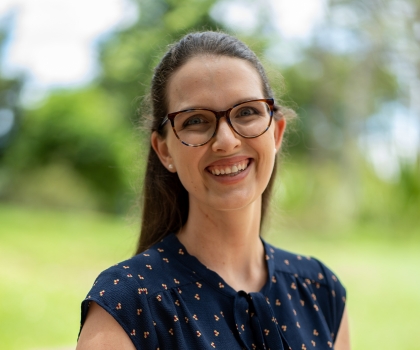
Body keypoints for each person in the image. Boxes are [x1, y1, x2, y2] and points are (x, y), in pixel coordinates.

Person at [76, 31, 350, 350]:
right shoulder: (126, 305)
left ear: (276, 133)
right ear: (164, 150)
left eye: (247, 112)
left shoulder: (321, 291)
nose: (226, 141)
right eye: (195, 120)